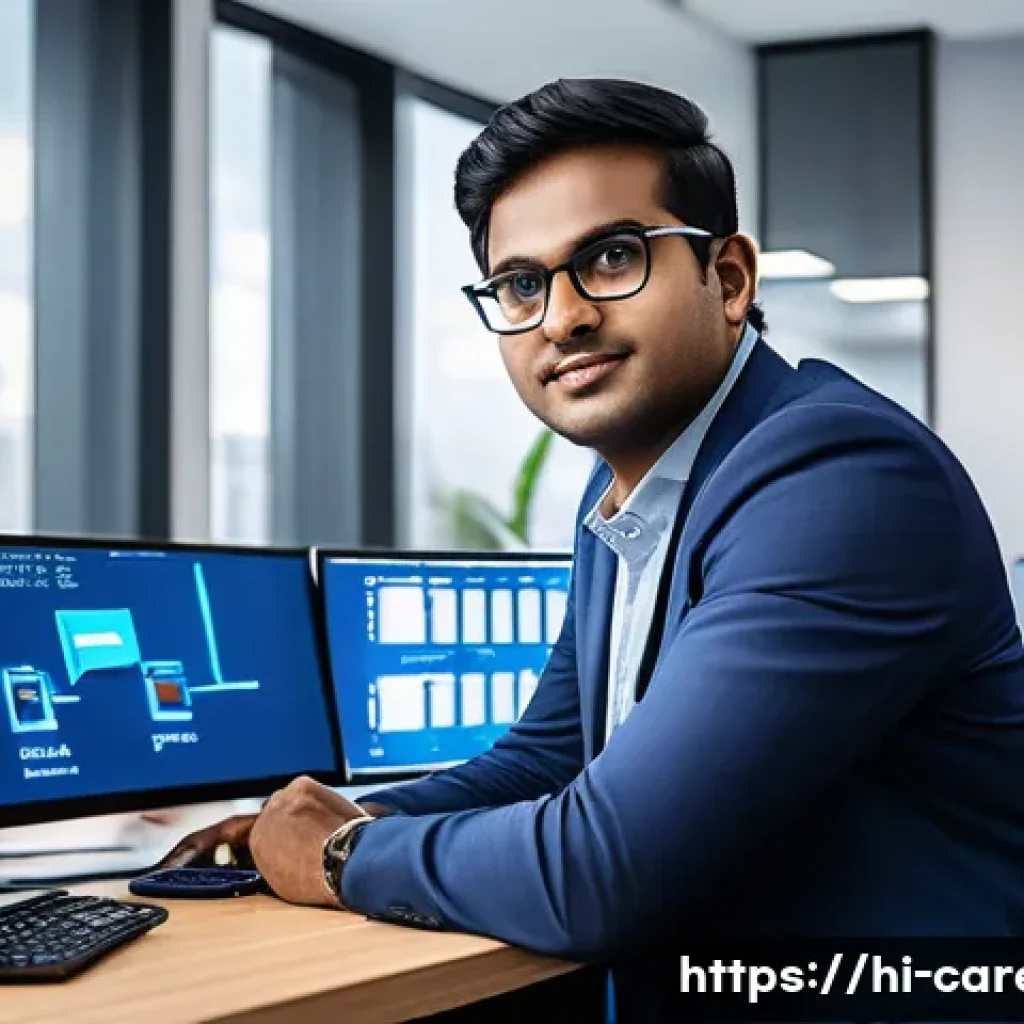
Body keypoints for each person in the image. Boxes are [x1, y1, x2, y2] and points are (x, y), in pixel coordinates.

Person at [162, 78, 1024, 1018]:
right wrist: (343, 817)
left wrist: (339, 857)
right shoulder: (628, 485)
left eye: (611, 258)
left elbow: (603, 870)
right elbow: (550, 758)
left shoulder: (837, 475)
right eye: (522, 284)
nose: (563, 317)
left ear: (728, 278)